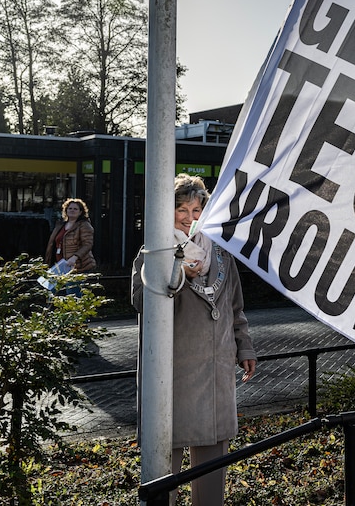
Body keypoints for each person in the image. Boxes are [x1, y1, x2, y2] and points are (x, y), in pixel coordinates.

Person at [131, 174, 258, 506]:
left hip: (216, 373)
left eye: (196, 209)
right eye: (181, 210)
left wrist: (243, 345)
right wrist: (174, 273)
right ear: (166, 212)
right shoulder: (153, 250)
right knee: (163, 466)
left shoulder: (220, 251)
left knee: (213, 465)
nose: (189, 218)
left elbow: (234, 305)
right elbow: (139, 300)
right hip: (172, 375)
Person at [44, 198, 96, 273]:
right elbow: (52, 244)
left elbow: (87, 245)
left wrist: (75, 257)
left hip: (78, 267)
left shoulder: (84, 225)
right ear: (66, 210)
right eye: (70, 208)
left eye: (75, 209)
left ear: (80, 212)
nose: (72, 210)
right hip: (60, 266)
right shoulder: (60, 225)